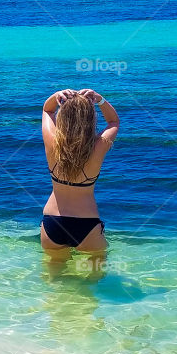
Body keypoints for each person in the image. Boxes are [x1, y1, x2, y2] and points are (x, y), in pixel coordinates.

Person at [40, 88, 120, 254]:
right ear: (91, 120)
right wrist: (100, 100)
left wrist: (56, 97)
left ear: (63, 118)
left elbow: (47, 110)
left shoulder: (52, 144)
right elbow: (113, 122)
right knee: (95, 275)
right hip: (86, 224)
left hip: (52, 222)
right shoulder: (98, 147)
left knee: (53, 277)